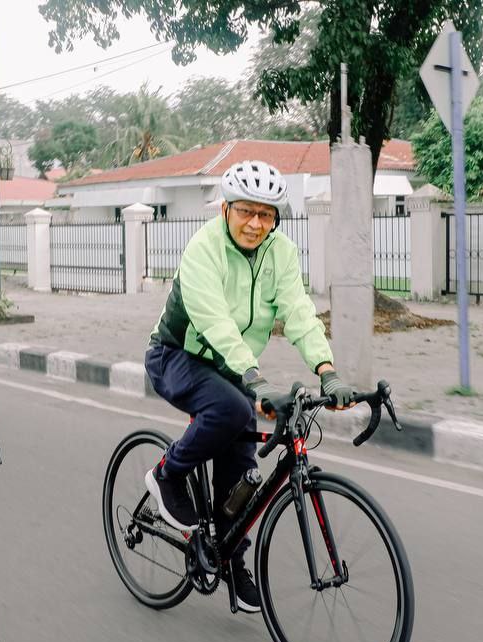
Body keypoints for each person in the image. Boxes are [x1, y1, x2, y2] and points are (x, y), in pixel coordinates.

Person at [143, 160, 357, 613]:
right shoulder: (203, 249)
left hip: (233, 367)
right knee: (234, 411)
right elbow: (216, 324)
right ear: (226, 209)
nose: (256, 223)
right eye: (246, 211)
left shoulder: (279, 251)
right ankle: (169, 472)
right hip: (177, 356)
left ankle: (229, 557)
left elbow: (298, 310)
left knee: (242, 466)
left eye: (266, 215)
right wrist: (255, 380)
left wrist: (326, 369)